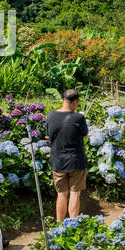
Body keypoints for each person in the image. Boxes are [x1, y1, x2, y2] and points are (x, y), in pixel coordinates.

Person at [46, 88, 89, 223]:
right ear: (75, 102)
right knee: (75, 193)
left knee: (61, 194)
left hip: (58, 161)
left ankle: (59, 225)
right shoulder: (79, 117)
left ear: (63, 99)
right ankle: (73, 226)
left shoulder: (51, 115)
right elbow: (85, 136)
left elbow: (48, 136)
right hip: (76, 161)